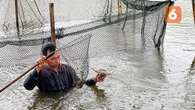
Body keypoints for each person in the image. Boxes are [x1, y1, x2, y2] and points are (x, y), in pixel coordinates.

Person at [23, 43, 106, 92]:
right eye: (53, 59)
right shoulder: (40, 73)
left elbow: (79, 84)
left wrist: (95, 80)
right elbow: (27, 86)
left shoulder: (67, 69)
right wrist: (37, 69)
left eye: (58, 57)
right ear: (45, 60)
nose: (57, 60)